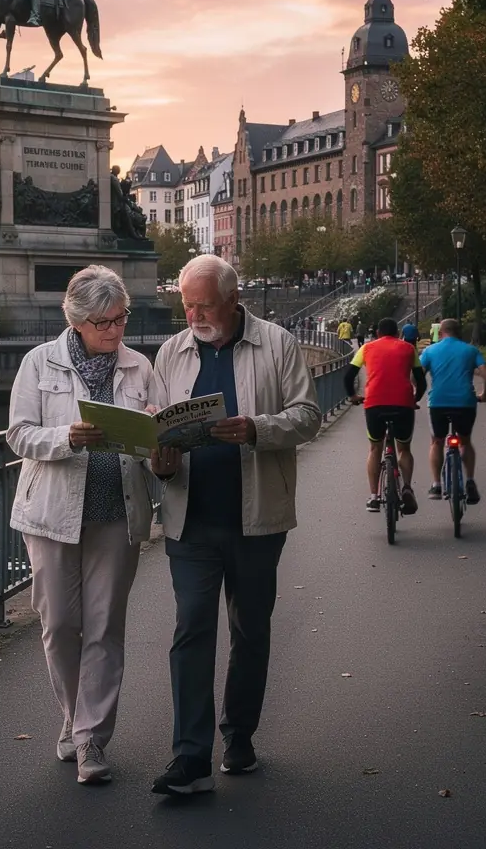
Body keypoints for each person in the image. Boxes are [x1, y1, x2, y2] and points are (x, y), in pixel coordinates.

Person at [149, 254, 321, 796]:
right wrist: (159, 459)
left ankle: (239, 734)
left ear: (232, 299)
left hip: (257, 519)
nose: (194, 313)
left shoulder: (277, 344)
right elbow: (155, 430)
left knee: (250, 631)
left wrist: (255, 429)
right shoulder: (172, 352)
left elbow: (309, 415)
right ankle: (190, 754)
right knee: (192, 629)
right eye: (187, 303)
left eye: (204, 304)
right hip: (190, 519)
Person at [7, 266, 156, 786]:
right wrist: (67, 438)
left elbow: (151, 436)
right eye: (103, 323)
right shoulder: (38, 363)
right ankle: (72, 717)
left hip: (116, 511)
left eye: (120, 320)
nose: (114, 332)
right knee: (60, 625)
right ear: (76, 321)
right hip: (51, 513)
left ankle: (91, 737)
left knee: (104, 627)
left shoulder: (139, 367)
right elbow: (20, 435)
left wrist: (156, 432)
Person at [344, 317, 426, 514]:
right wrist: (415, 399)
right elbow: (421, 382)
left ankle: (373, 497)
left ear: (378, 333)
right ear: (398, 333)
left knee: (374, 448)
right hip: (403, 405)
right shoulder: (409, 348)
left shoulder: (366, 349)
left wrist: (353, 396)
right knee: (404, 449)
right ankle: (406, 486)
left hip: (375, 404)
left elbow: (348, 376)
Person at [419, 317, 486, 504]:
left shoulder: (430, 351)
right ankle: (469, 481)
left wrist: (417, 391)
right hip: (465, 402)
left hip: (438, 403)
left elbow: (417, 376)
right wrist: (484, 395)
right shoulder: (470, 350)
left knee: (437, 442)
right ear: (459, 332)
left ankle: (436, 485)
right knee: (465, 441)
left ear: (441, 332)